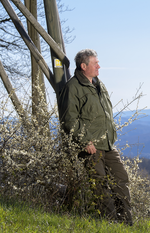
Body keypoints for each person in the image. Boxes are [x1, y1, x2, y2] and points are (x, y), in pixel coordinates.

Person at [58, 49, 132, 224]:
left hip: (108, 144)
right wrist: (85, 141)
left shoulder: (99, 84)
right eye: (95, 63)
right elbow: (69, 119)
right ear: (84, 66)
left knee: (121, 180)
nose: (99, 66)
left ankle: (126, 224)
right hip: (90, 146)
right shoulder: (73, 87)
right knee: (100, 185)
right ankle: (109, 223)